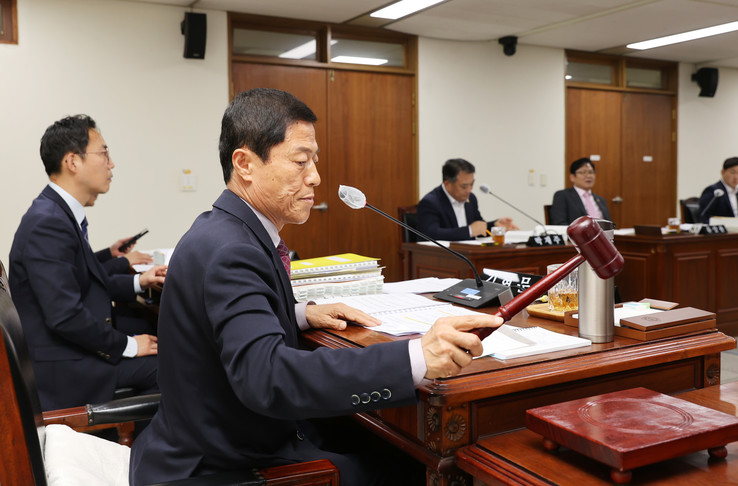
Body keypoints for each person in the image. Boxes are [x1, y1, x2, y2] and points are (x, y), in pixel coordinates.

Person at [129, 89, 502, 486]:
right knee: (411, 464)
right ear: (245, 164)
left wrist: (299, 313)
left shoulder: (222, 228)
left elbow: (220, 320)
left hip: (210, 433)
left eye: (315, 161)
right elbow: (268, 377)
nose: (315, 177)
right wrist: (415, 356)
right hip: (223, 461)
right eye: (300, 161)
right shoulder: (233, 250)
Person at [8, 115, 166, 411]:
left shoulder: (56, 214)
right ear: (72, 162)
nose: (111, 164)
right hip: (65, 369)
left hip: (66, 351)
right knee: (170, 368)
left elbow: (85, 279)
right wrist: (130, 345)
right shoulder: (48, 224)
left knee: (149, 328)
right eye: (104, 153)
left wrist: (138, 281)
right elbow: (65, 316)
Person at [416, 158, 518, 241]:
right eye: (464, 186)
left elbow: (478, 228)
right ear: (447, 183)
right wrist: (469, 231)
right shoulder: (431, 202)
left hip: (469, 254)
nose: (469, 190)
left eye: (472, 184)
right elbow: (430, 234)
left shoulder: (471, 199)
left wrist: (495, 226)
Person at [549, 157, 611, 225]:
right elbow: (559, 223)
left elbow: (608, 224)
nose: (588, 176)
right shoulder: (562, 196)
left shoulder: (601, 200)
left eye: (591, 172)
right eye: (583, 172)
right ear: (572, 177)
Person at [698, 157, 738, 224]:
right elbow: (703, 216)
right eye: (733, 172)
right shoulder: (713, 191)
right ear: (723, 172)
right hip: (721, 229)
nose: (736, 177)